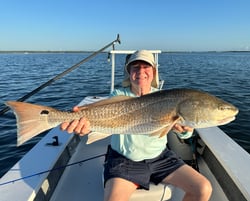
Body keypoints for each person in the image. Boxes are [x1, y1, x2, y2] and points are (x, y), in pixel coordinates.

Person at [61, 50, 212, 201]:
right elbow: (101, 117)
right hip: (125, 161)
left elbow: (184, 132)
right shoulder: (119, 95)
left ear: (153, 72)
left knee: (203, 188)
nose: (141, 71)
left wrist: (185, 131)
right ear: (129, 72)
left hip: (161, 158)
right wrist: (84, 127)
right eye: (135, 67)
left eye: (146, 67)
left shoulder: (165, 96)